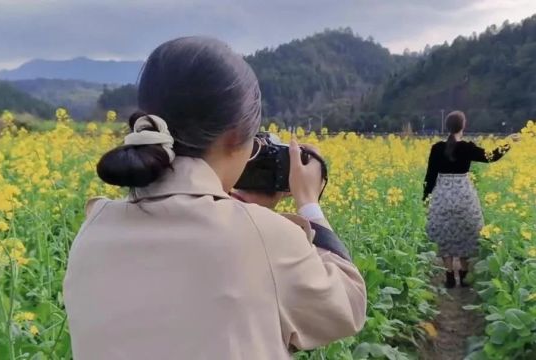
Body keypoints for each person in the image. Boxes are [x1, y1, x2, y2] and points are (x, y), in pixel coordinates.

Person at [63, 36, 366, 360]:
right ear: (237, 136)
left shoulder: (91, 232)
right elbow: (347, 306)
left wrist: (240, 214)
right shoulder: (261, 238)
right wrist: (308, 203)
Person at [423, 111, 517, 288]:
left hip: (443, 194)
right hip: (464, 194)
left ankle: (449, 275)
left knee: (445, 234)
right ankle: (464, 275)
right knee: (465, 233)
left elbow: (430, 176)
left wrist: (426, 198)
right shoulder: (467, 148)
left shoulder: (436, 148)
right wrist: (509, 142)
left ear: (447, 126)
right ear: (463, 126)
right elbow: (492, 156)